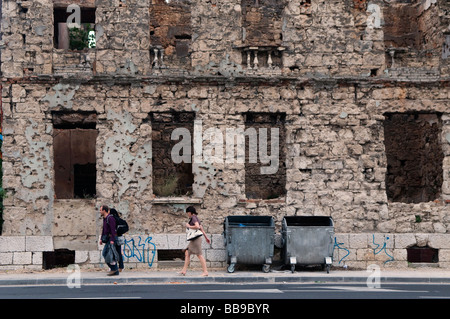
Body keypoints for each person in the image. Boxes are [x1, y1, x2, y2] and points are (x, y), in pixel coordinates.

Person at [179, 206, 210, 276]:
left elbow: (197, 227)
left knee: (199, 255)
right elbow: (201, 228)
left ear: (190, 212)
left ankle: (205, 271)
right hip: (195, 239)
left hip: (196, 239)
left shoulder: (193, 217)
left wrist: (188, 226)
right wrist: (206, 237)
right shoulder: (196, 218)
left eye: (187, 213)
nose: (187, 214)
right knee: (187, 253)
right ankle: (184, 270)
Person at [99, 205, 119, 276]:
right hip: (107, 239)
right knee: (108, 254)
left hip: (111, 239)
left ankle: (114, 269)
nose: (100, 211)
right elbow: (104, 230)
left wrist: (112, 240)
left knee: (107, 254)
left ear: (104, 210)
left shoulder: (110, 218)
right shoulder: (105, 218)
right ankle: (114, 270)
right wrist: (101, 238)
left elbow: (113, 230)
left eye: (101, 210)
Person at [109, 208, 124, 272]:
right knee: (119, 253)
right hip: (119, 238)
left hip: (113, 238)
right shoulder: (119, 219)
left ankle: (113, 267)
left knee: (112, 253)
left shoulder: (112, 219)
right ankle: (121, 267)